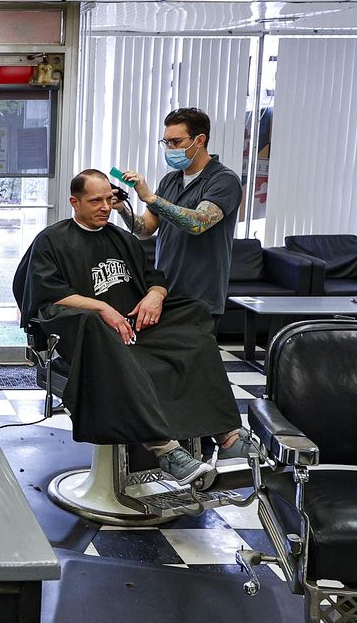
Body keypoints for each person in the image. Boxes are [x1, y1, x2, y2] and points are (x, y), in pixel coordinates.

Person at [17, 169, 255, 486]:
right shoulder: (52, 240)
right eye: (95, 201)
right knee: (98, 327)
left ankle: (226, 435)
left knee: (194, 317)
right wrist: (102, 307)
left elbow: (154, 277)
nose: (105, 207)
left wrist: (155, 296)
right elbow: (45, 292)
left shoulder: (122, 239)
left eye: (109, 199)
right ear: (75, 202)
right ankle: (166, 450)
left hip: (135, 329)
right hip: (88, 337)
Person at [115, 107, 245, 314]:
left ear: (199, 140)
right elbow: (145, 229)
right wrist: (122, 208)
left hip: (201, 296)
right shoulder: (170, 180)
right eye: (166, 142)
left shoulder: (224, 180)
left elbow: (198, 223)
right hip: (164, 289)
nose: (169, 148)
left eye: (176, 142)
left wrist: (151, 198)